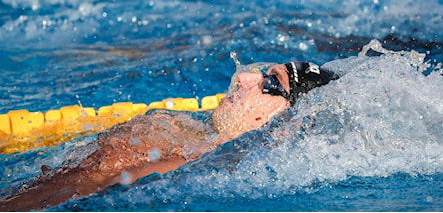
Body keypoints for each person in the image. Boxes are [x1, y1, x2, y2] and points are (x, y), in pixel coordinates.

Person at [0, 61, 339, 211]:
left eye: (269, 83)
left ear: (285, 120)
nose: (245, 78)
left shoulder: (201, 168)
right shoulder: (193, 134)